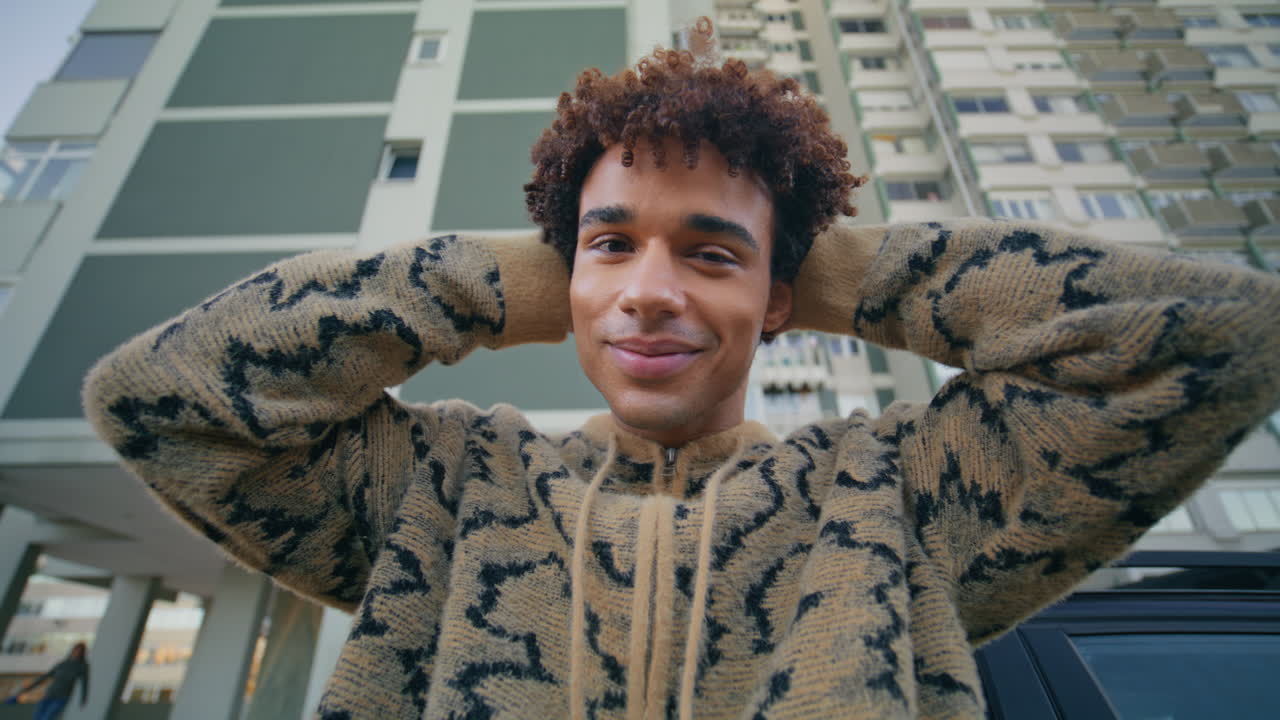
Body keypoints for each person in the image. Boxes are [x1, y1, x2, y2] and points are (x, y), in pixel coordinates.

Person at [83, 23, 1280, 720]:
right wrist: (540, 276)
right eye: (611, 247)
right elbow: (162, 397)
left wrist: (824, 266)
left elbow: (1218, 339)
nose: (651, 289)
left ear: (781, 298)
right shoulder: (448, 491)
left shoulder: (893, 500)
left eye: (709, 253)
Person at [17, 643, 89, 720]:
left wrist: (83, 699)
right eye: (76, 650)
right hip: (49, 694)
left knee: (46, 718)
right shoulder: (63, 663)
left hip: (62, 698)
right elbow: (46, 676)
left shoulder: (82, 666)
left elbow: (85, 684)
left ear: (83, 653)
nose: (77, 652)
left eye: (80, 651)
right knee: (37, 717)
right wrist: (28, 688)